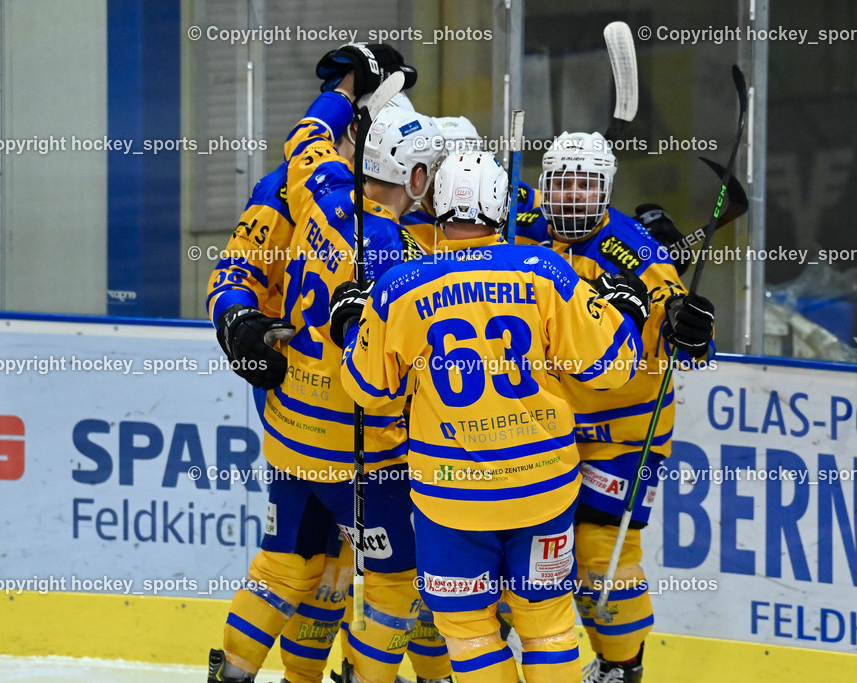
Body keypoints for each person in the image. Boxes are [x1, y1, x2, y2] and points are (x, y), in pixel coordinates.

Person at [330, 150, 652, 683]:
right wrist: (626, 313)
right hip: (542, 488)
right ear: (502, 206)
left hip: (451, 495)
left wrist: (352, 327)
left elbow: (368, 391)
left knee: (469, 631)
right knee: (547, 626)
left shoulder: (401, 287)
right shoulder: (546, 271)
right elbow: (612, 368)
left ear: (436, 204)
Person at [207, 48, 446, 683]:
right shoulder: (395, 250)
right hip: (361, 446)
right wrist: (236, 320)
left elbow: (307, 135)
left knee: (294, 566)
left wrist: (342, 87)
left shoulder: (317, 185)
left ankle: (245, 673)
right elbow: (235, 275)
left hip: (294, 426)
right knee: (391, 579)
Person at [517, 132, 715, 683]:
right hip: (549, 426)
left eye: (586, 185)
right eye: (563, 184)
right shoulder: (523, 229)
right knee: (530, 544)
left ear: (606, 190)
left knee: (600, 549)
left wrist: (693, 333)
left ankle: (621, 666)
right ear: (545, 186)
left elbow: (685, 334)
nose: (573, 196)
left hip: (623, 433)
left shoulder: (637, 253)